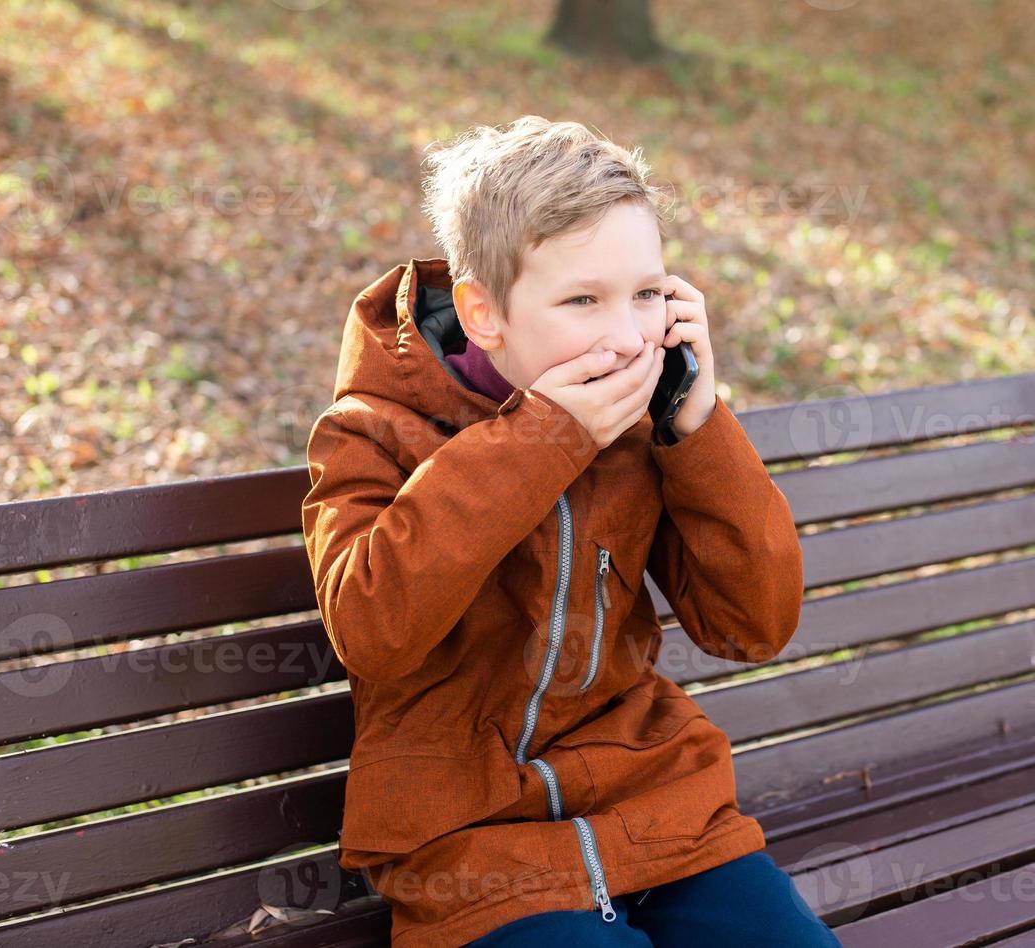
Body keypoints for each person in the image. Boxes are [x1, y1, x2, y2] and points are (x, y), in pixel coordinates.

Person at [301, 115, 837, 947]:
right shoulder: (373, 430)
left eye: (648, 295)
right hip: (472, 843)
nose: (627, 338)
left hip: (657, 807)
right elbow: (372, 628)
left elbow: (752, 626)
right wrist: (543, 438)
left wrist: (700, 432)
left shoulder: (645, 417)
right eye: (583, 300)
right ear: (483, 312)